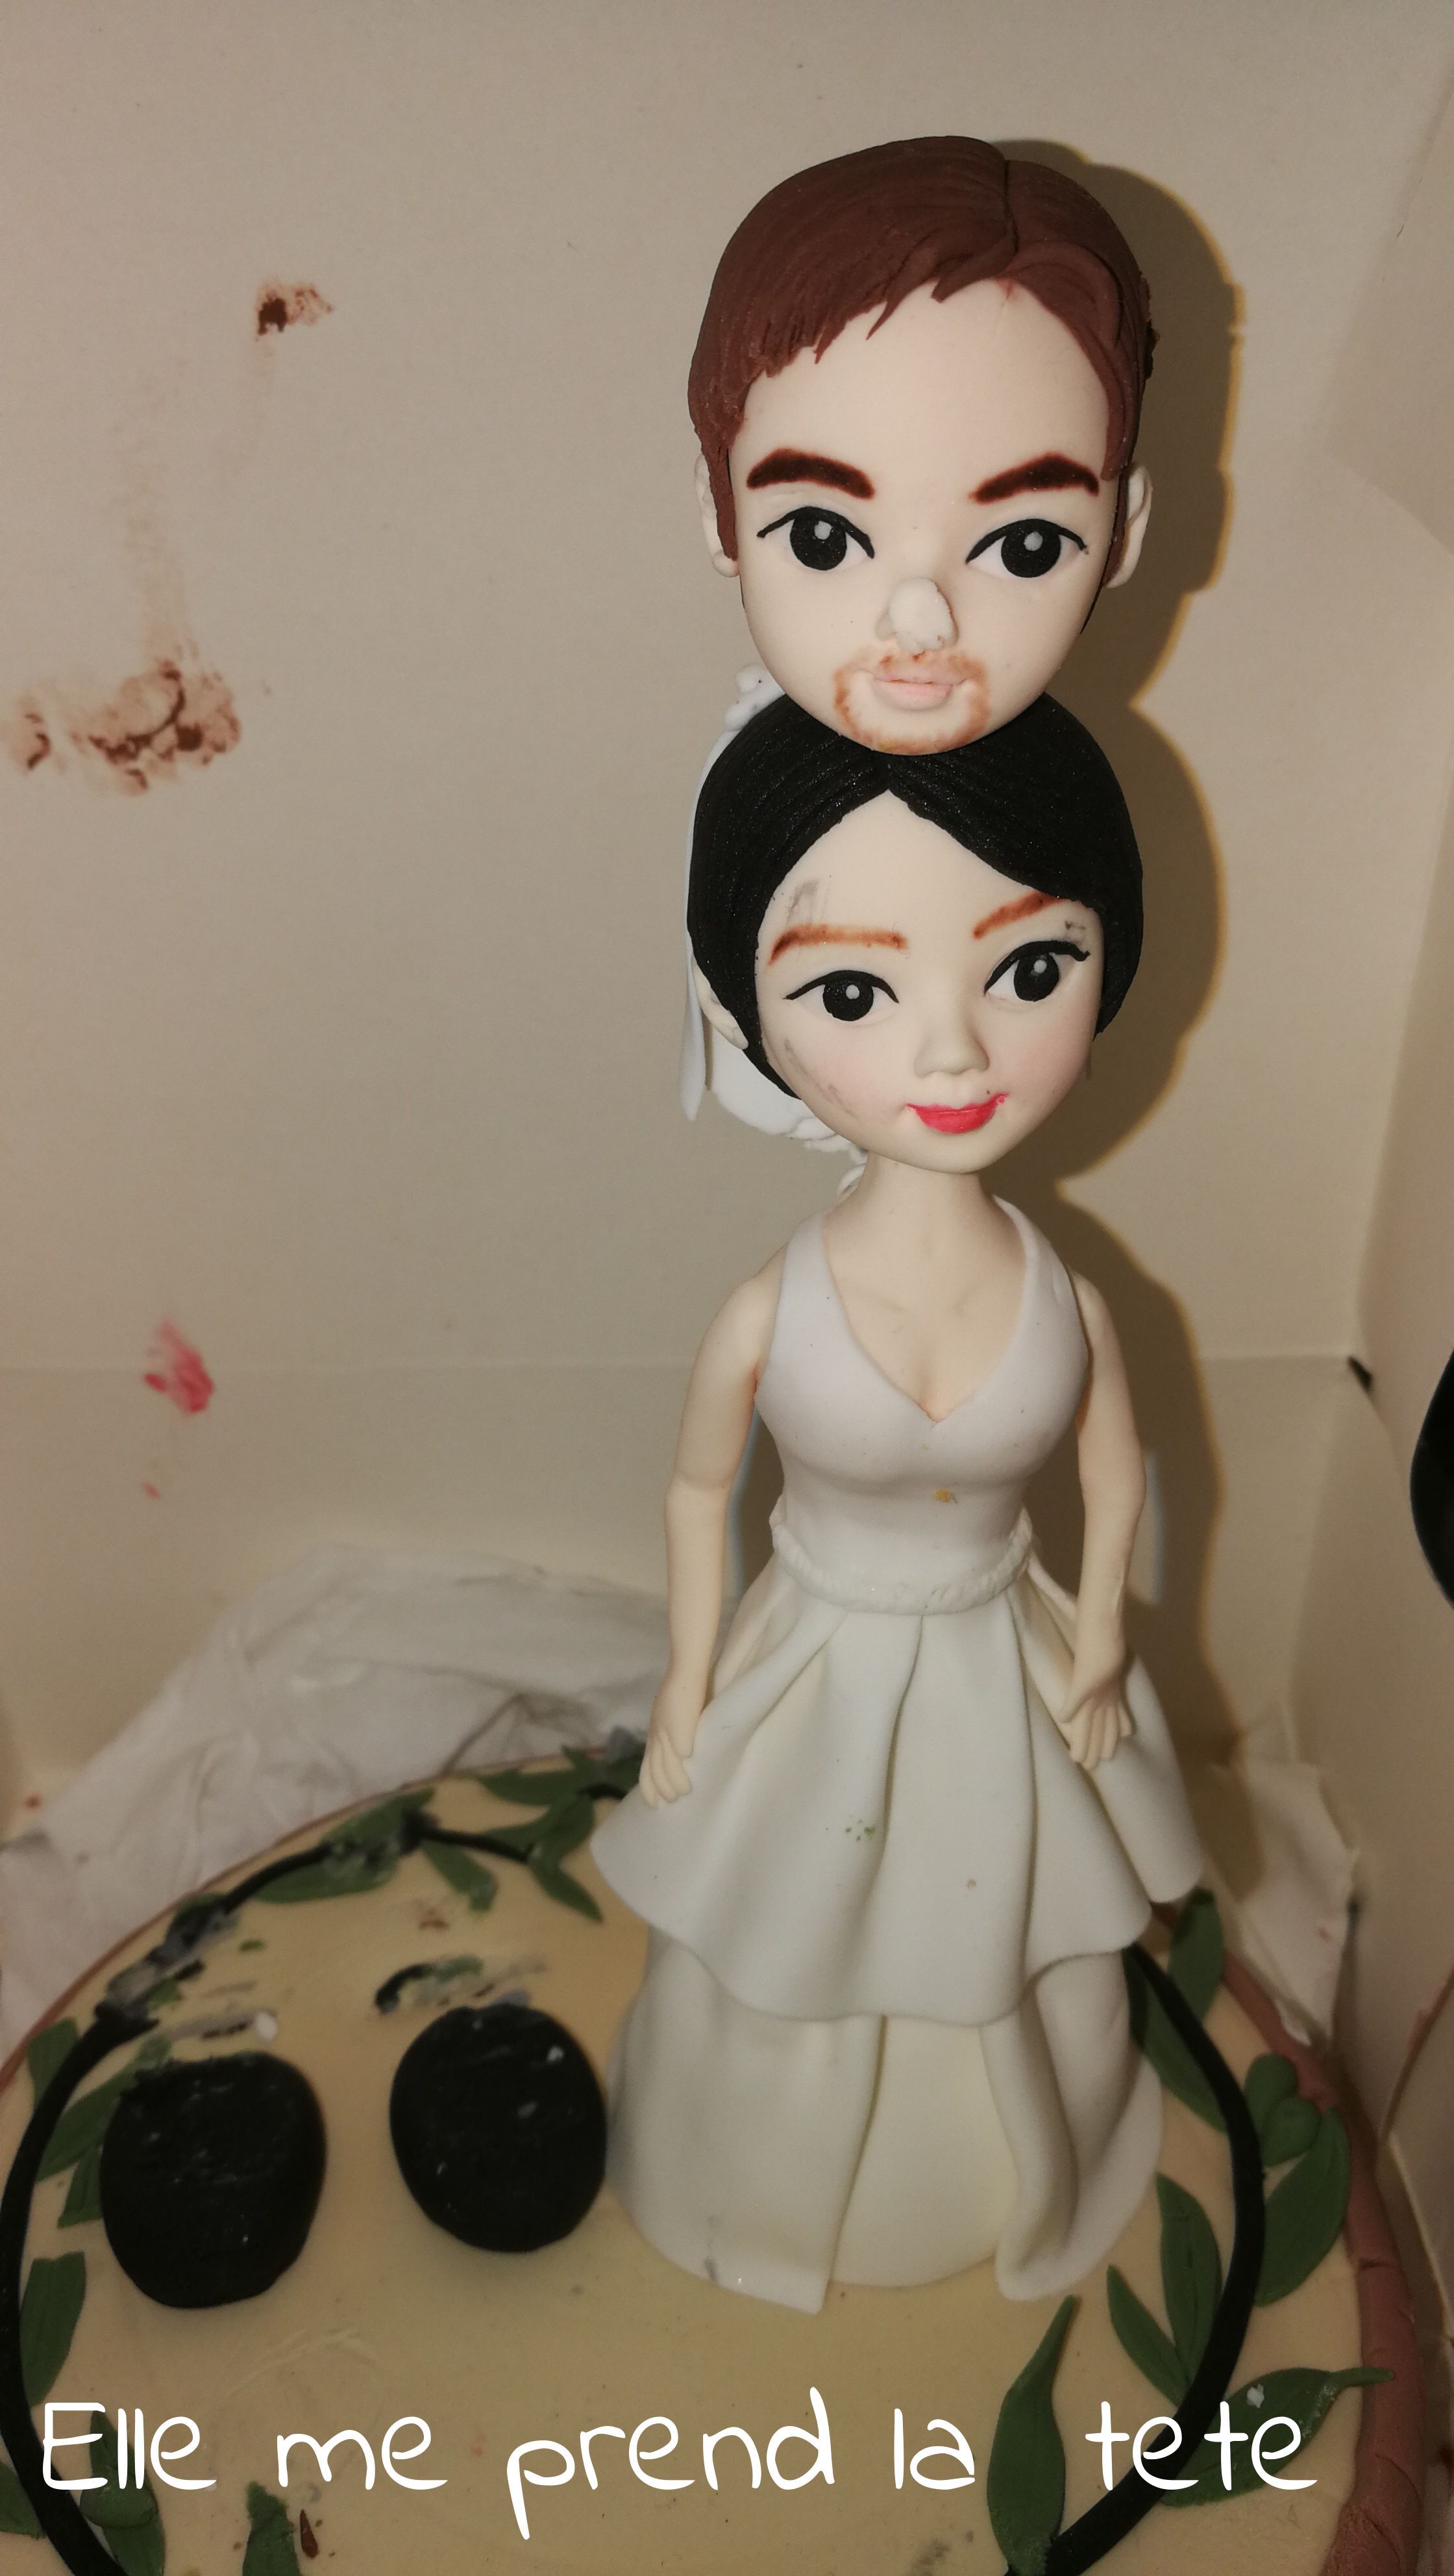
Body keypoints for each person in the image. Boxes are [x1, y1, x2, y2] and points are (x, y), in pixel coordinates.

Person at [593, 691, 1201, 2314]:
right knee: (789, 1925)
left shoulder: (1071, 1301)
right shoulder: (766, 1307)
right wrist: (686, 1672)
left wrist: (1100, 1640)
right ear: (747, 1006)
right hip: (818, 1662)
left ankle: (1009, 2175)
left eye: (1030, 970)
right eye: (855, 991)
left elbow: (1115, 1468)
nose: (952, 1052)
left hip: (1001, 1655)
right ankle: (758, 2186)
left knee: (1014, 1932)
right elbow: (698, 1486)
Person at [689, 136, 1156, 756]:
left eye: (1028, 548)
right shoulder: (755, 768)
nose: (920, 627)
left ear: (1124, 530)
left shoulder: (1065, 796)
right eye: (820, 538)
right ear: (717, 509)